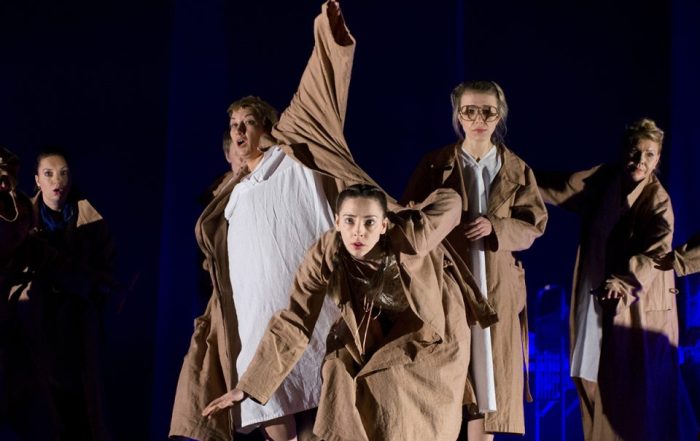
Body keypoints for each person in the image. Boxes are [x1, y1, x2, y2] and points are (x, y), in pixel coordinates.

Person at [202, 184, 495, 441]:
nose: (359, 232)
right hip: (373, 323)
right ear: (337, 222)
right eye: (350, 221)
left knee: (396, 393)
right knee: (336, 369)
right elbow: (295, 319)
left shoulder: (409, 235)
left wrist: (414, 218)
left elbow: (452, 201)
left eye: (369, 223)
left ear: (383, 225)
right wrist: (247, 387)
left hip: (430, 323)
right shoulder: (326, 251)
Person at [402, 81, 547, 439]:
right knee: (447, 378)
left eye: (487, 111)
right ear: (458, 115)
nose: (478, 119)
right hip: (449, 286)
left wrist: (497, 226)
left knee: (488, 385)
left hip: (495, 286)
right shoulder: (436, 164)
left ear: (499, 116)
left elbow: (534, 224)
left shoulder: (516, 169)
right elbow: (410, 216)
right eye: (469, 111)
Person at [537, 118, 678, 441]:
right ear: (624, 150)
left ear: (658, 159)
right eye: (635, 152)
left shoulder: (657, 201)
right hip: (594, 296)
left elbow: (657, 250)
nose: (640, 160)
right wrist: (515, 174)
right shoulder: (604, 181)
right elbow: (562, 187)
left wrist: (624, 282)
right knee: (587, 375)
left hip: (633, 305)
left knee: (629, 393)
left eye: (649, 155)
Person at [32, 149, 115, 441]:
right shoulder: (24, 220)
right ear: (37, 180)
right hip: (35, 325)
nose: (57, 180)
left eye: (64, 173)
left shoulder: (91, 219)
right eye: (49, 174)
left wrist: (86, 285)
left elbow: (109, 271)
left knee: (81, 408)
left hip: (77, 329)